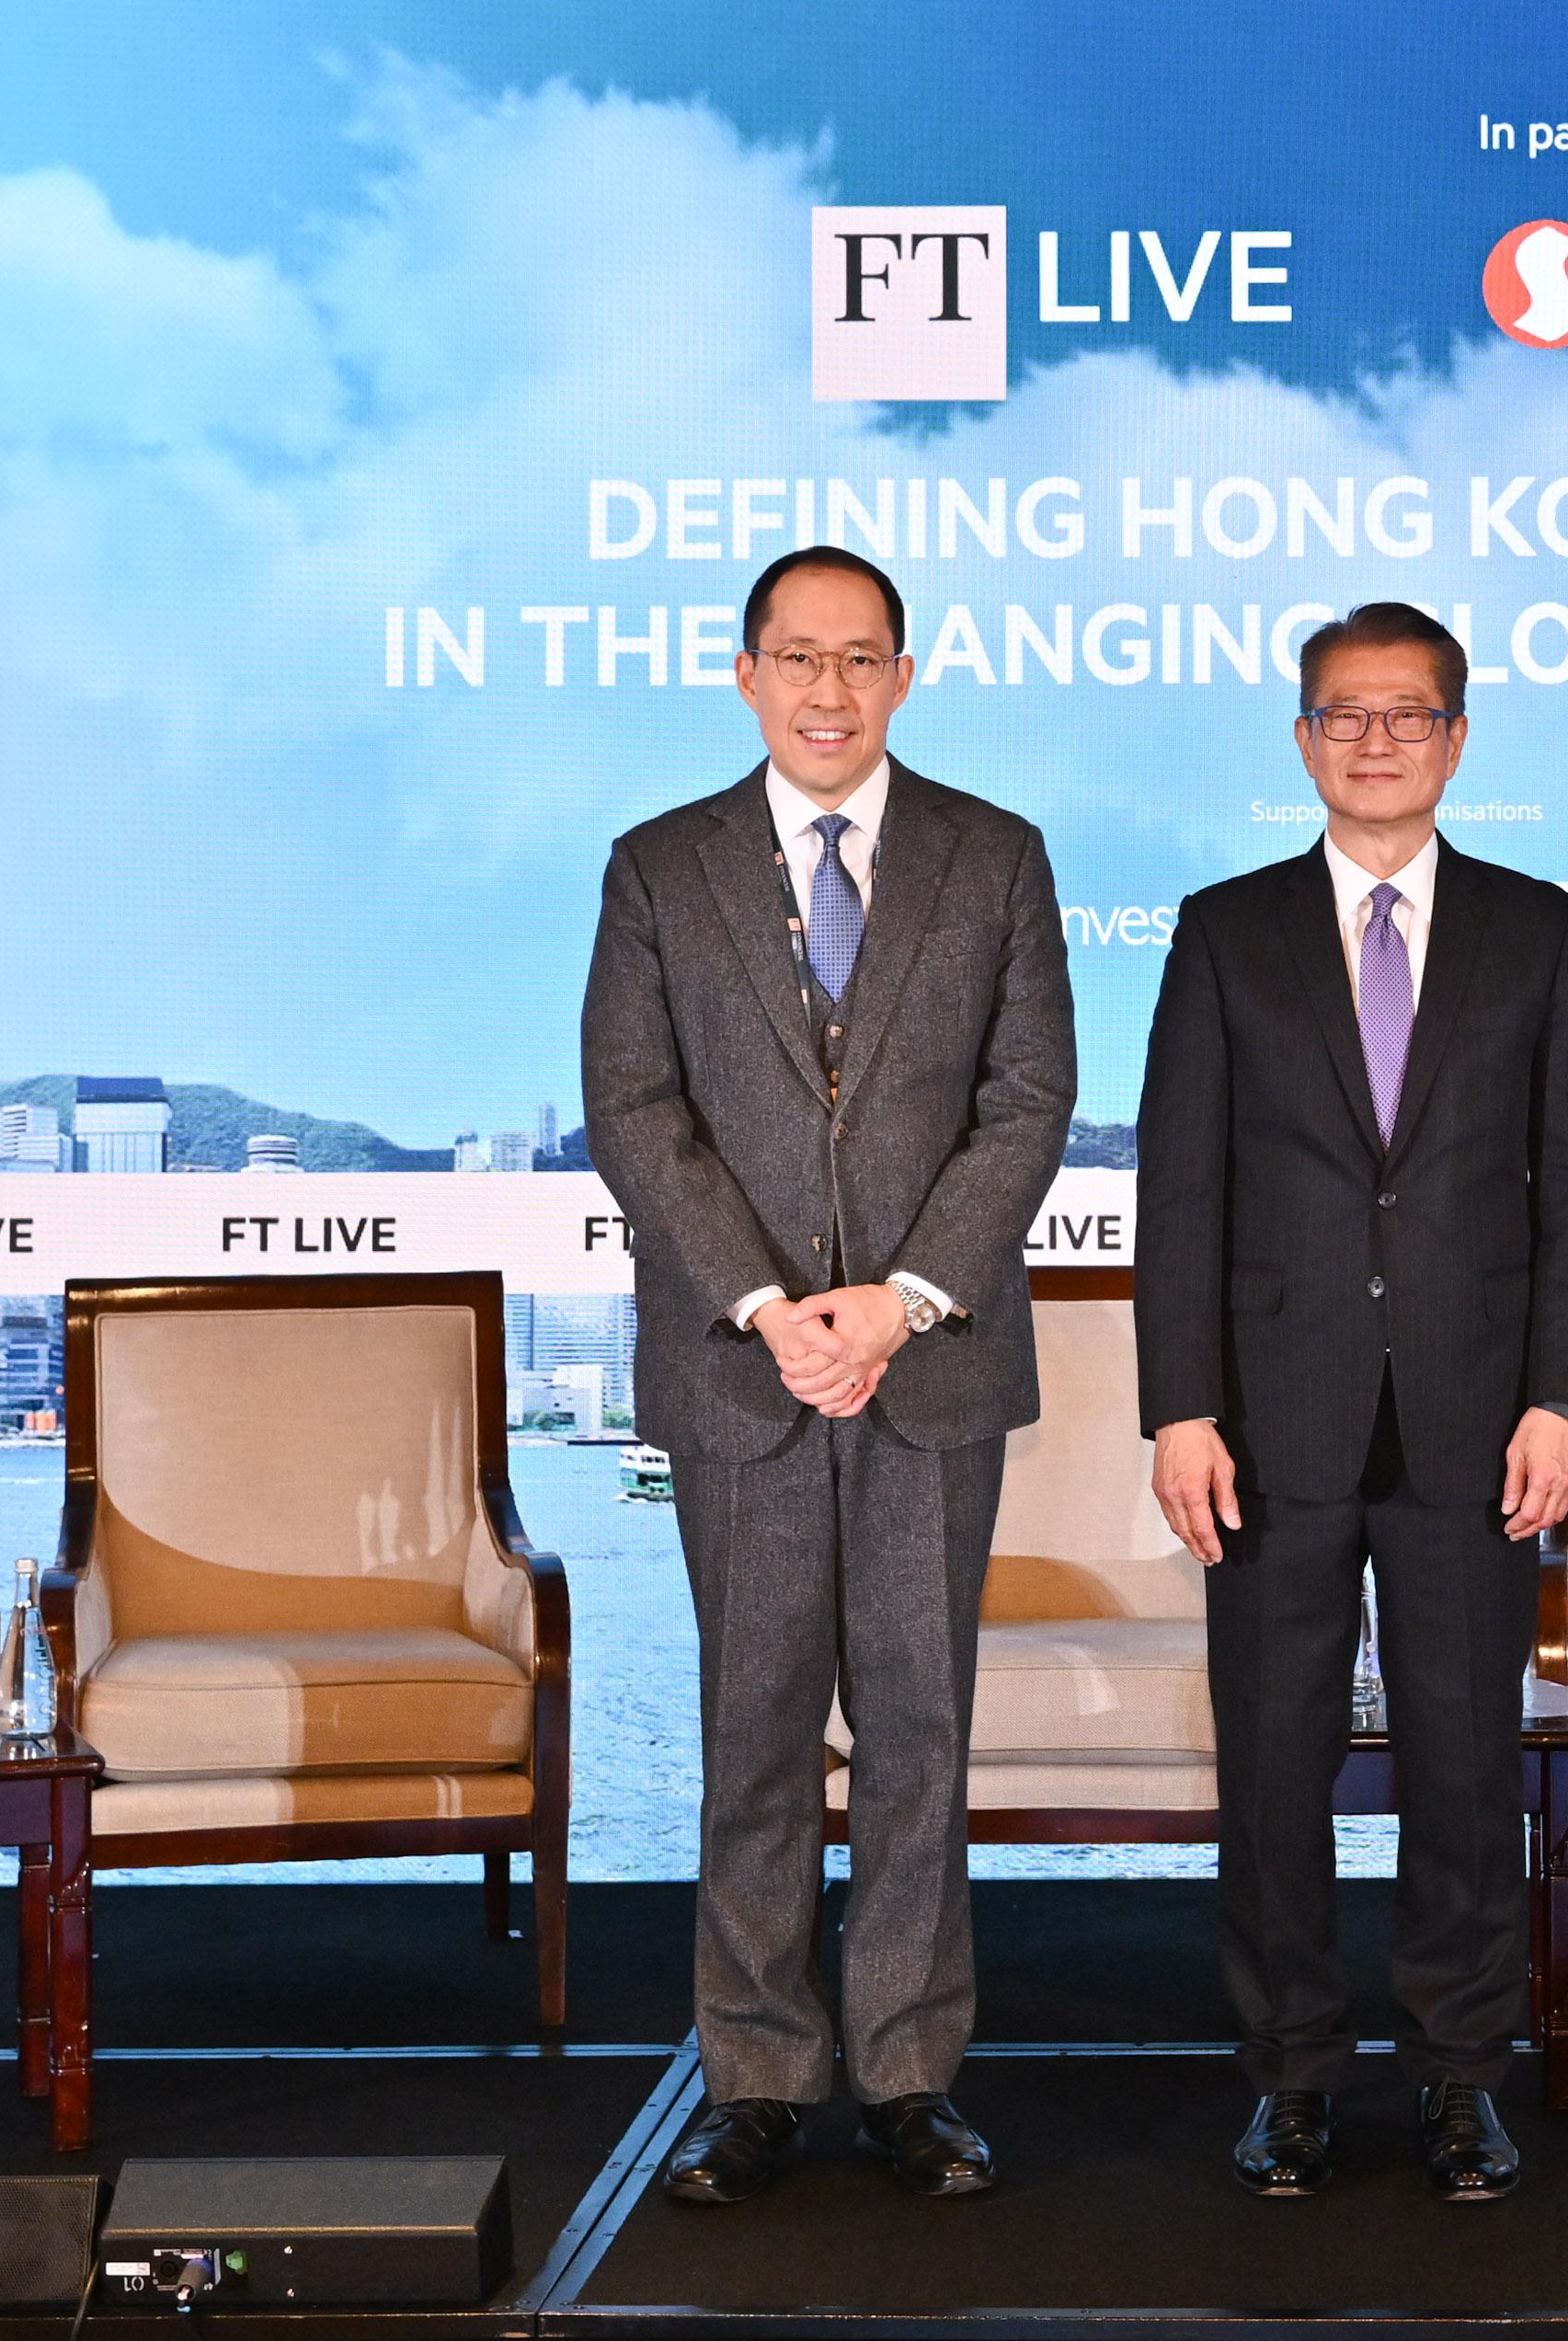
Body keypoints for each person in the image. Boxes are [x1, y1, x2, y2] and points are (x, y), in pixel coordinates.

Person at [582, 545, 1076, 2205]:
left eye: (860, 659)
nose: (827, 690)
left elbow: (1026, 1101)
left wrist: (901, 1301)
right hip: (745, 1375)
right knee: (756, 1730)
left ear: (905, 674)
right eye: (797, 658)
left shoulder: (995, 856)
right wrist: (770, 1305)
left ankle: (914, 2074)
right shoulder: (657, 866)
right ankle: (758, 2074)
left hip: (930, 1368)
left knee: (924, 1732)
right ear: (744, 673)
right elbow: (636, 1111)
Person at [1137, 602, 1568, 2200]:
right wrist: (1178, 1407)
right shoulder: (1223, 930)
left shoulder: (1537, 927)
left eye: (1407, 714)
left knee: (1466, 1764)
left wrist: (1563, 1399)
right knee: (1271, 1767)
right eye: (1344, 714)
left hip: (1481, 1420)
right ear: (1301, 742)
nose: (1375, 739)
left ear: (1458, 739)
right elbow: (1180, 1189)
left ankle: (1458, 2075)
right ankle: (1286, 2077)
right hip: (1267, 1422)